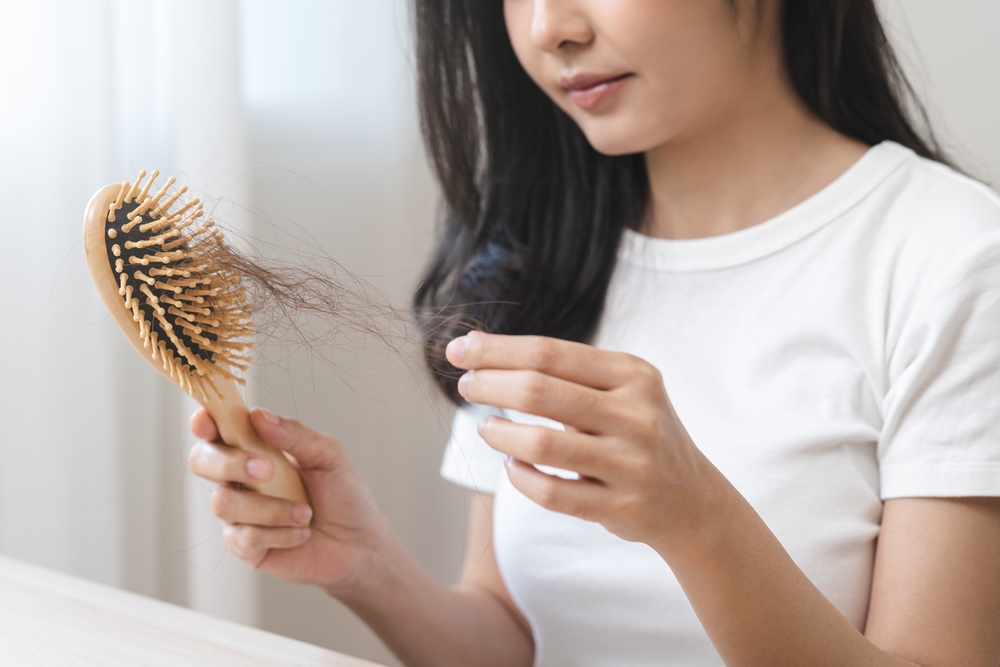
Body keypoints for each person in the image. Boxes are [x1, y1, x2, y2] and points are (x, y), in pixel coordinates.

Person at [188, 1, 1000, 665]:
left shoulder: (952, 257)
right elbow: (514, 638)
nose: (550, 28)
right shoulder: (542, 257)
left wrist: (699, 520)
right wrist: (366, 565)